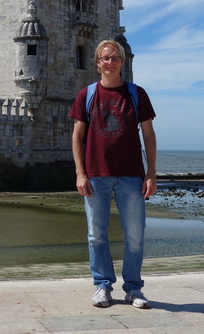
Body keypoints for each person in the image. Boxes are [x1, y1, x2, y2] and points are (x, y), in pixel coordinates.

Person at [69, 39, 157, 309]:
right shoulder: (87, 94)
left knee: (135, 235)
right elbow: (77, 137)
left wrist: (151, 173)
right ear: (98, 63)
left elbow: (149, 135)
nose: (110, 62)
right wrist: (80, 173)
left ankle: (133, 288)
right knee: (96, 235)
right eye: (105, 58)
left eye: (115, 57)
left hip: (131, 175)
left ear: (122, 61)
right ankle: (103, 286)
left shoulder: (136, 93)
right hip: (95, 175)